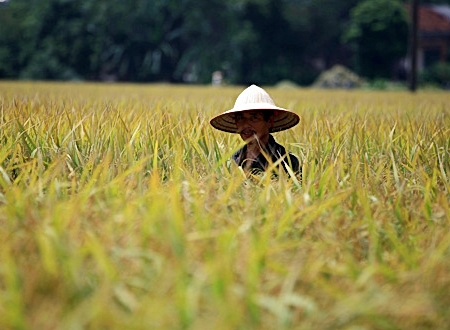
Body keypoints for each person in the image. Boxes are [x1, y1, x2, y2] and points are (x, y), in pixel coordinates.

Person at [210, 84, 301, 177]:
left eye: (254, 118)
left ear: (270, 121)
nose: (245, 124)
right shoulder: (233, 160)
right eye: (240, 118)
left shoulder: (287, 162)